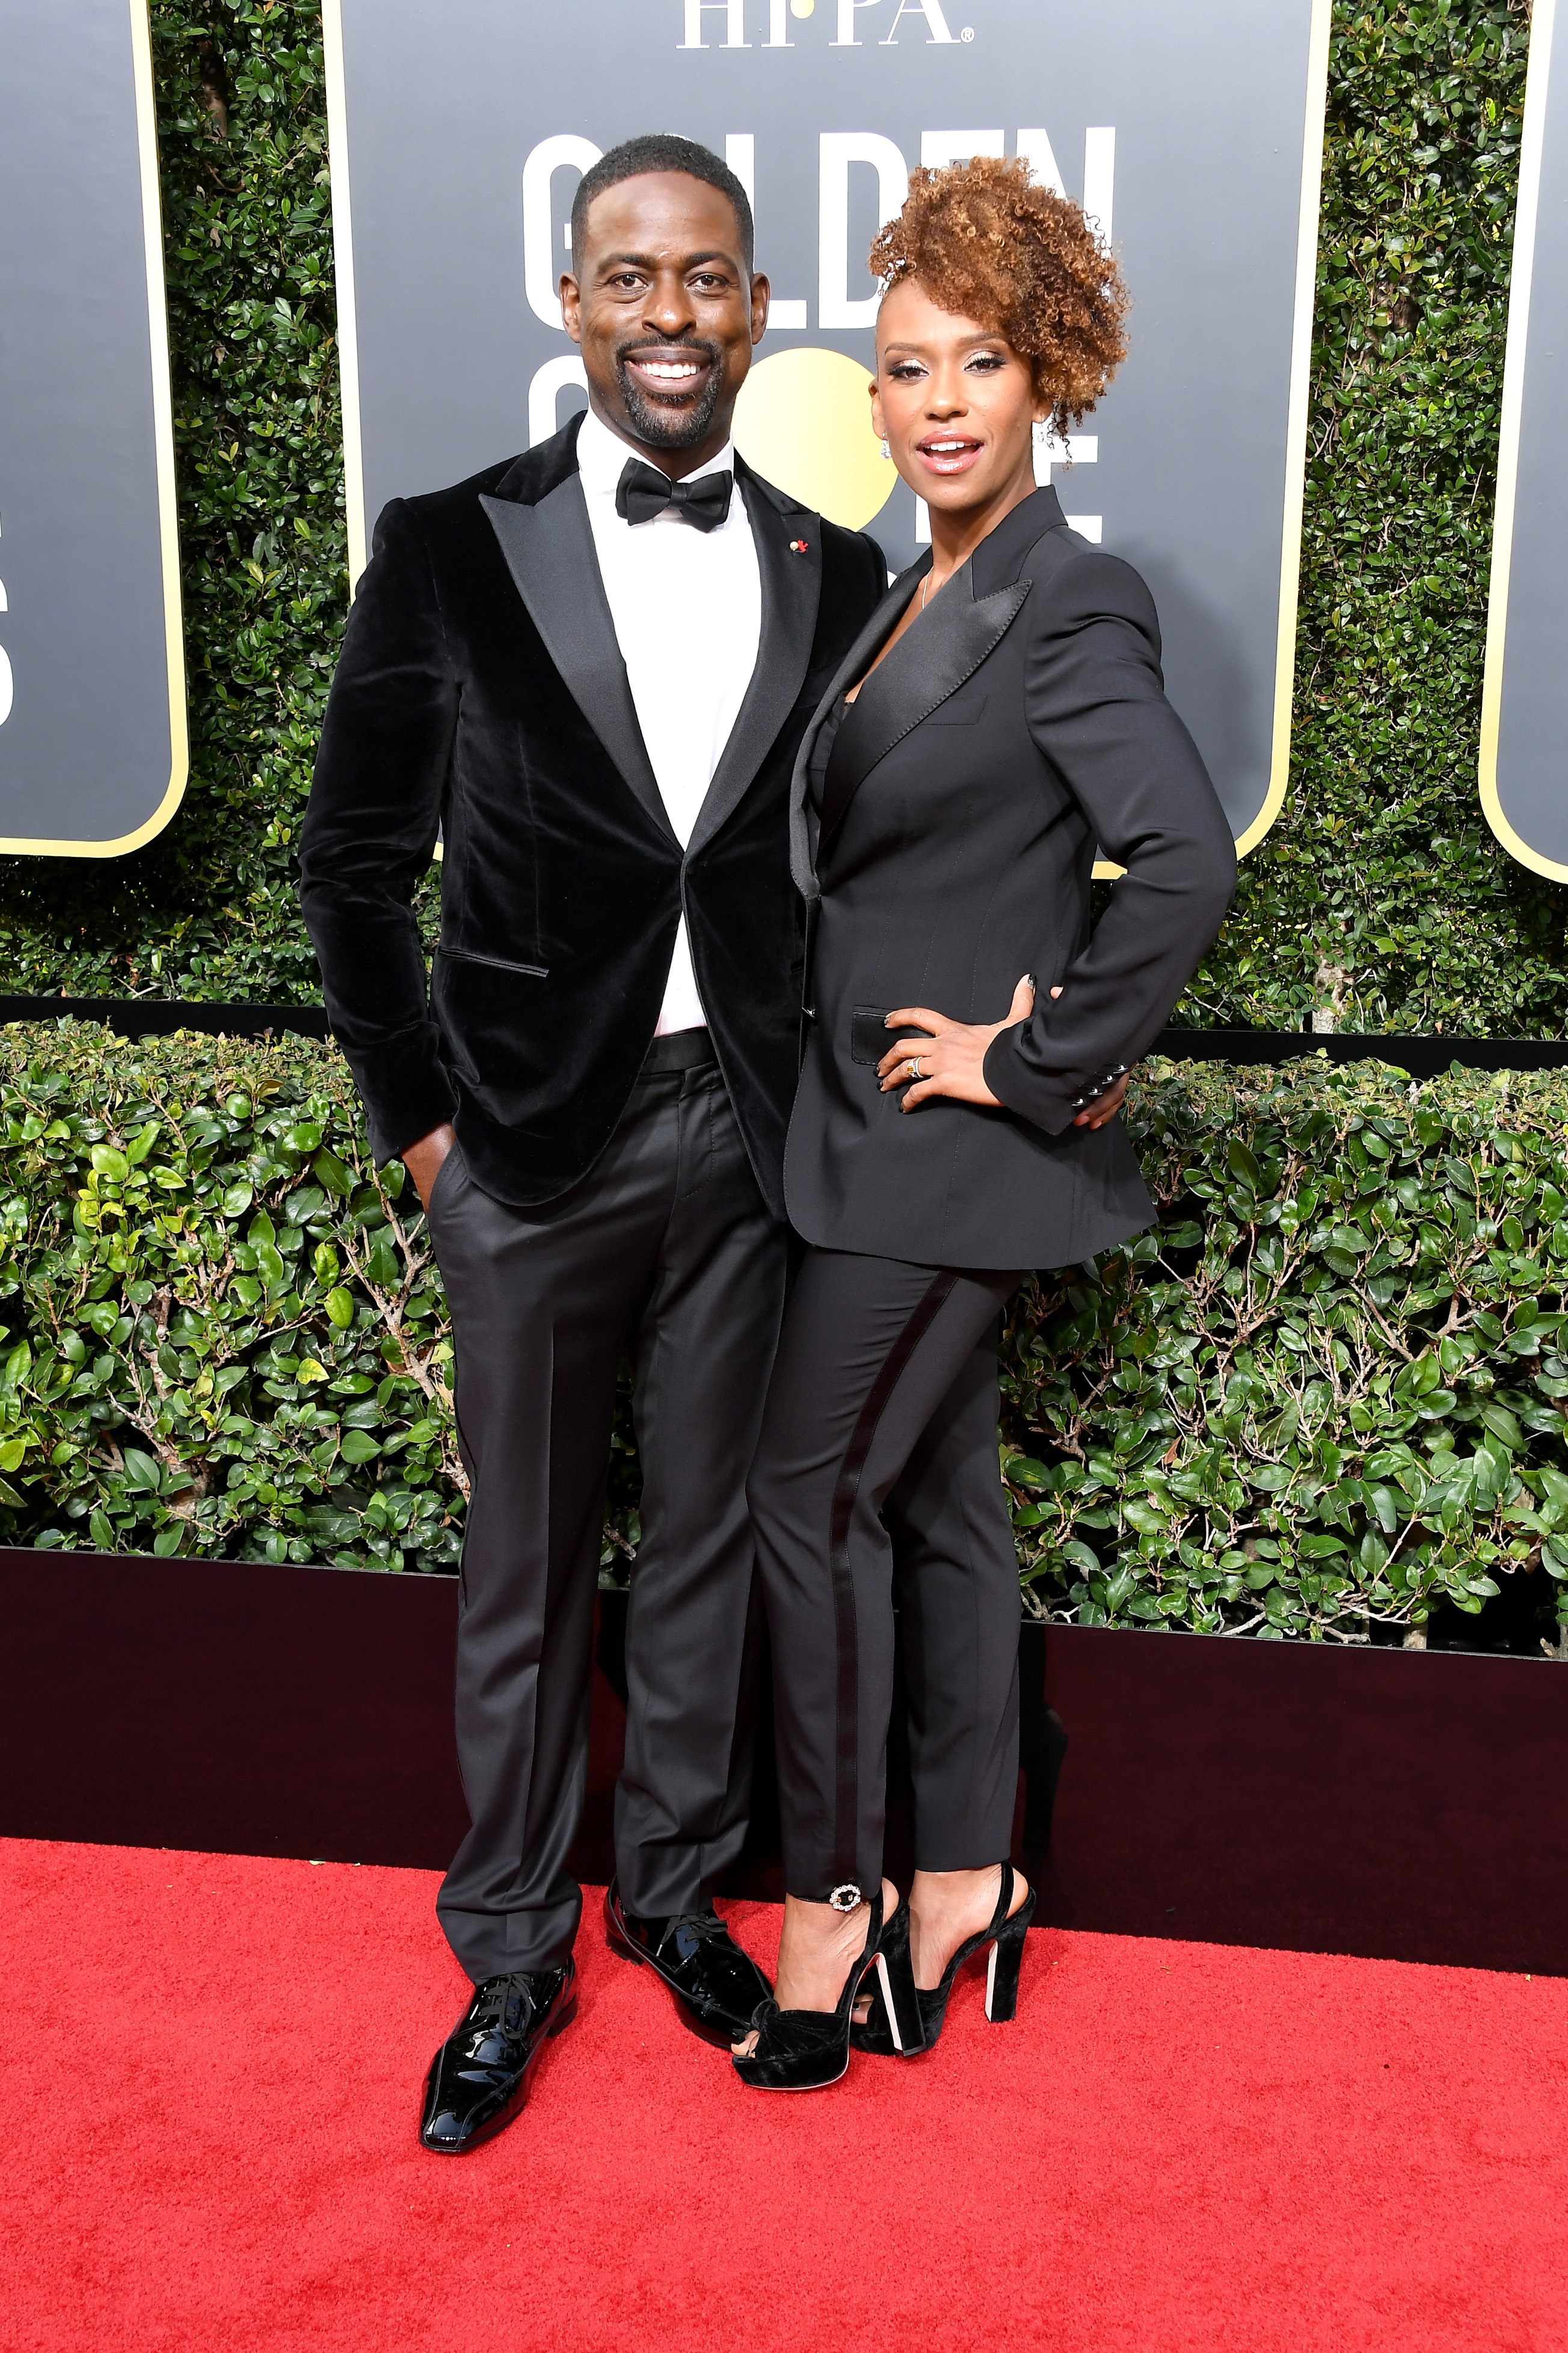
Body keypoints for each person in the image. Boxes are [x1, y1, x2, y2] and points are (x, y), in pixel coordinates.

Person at [299, 133, 887, 2151]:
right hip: (528, 1152)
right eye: (630, 277)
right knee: (528, 1572)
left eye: (708, 279)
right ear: (572, 300)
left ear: (752, 305)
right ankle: (510, 1954)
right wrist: (422, 1135)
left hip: (744, 1137)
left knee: (712, 1547)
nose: (671, 316)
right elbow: (349, 866)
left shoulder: (841, 562)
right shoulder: (450, 544)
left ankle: (667, 1900)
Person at [733, 156, 1238, 2092]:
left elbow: (1180, 859)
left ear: (1052, 381)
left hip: (946, 1151)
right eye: (907, 365)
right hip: (850, 1132)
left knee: (809, 1495)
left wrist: (1042, 1062)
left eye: (983, 364)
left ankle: (838, 1909)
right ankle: (967, 1879)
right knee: (939, 1503)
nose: (941, 400)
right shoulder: (901, 587)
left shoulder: (1065, 595)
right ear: (872, 393)